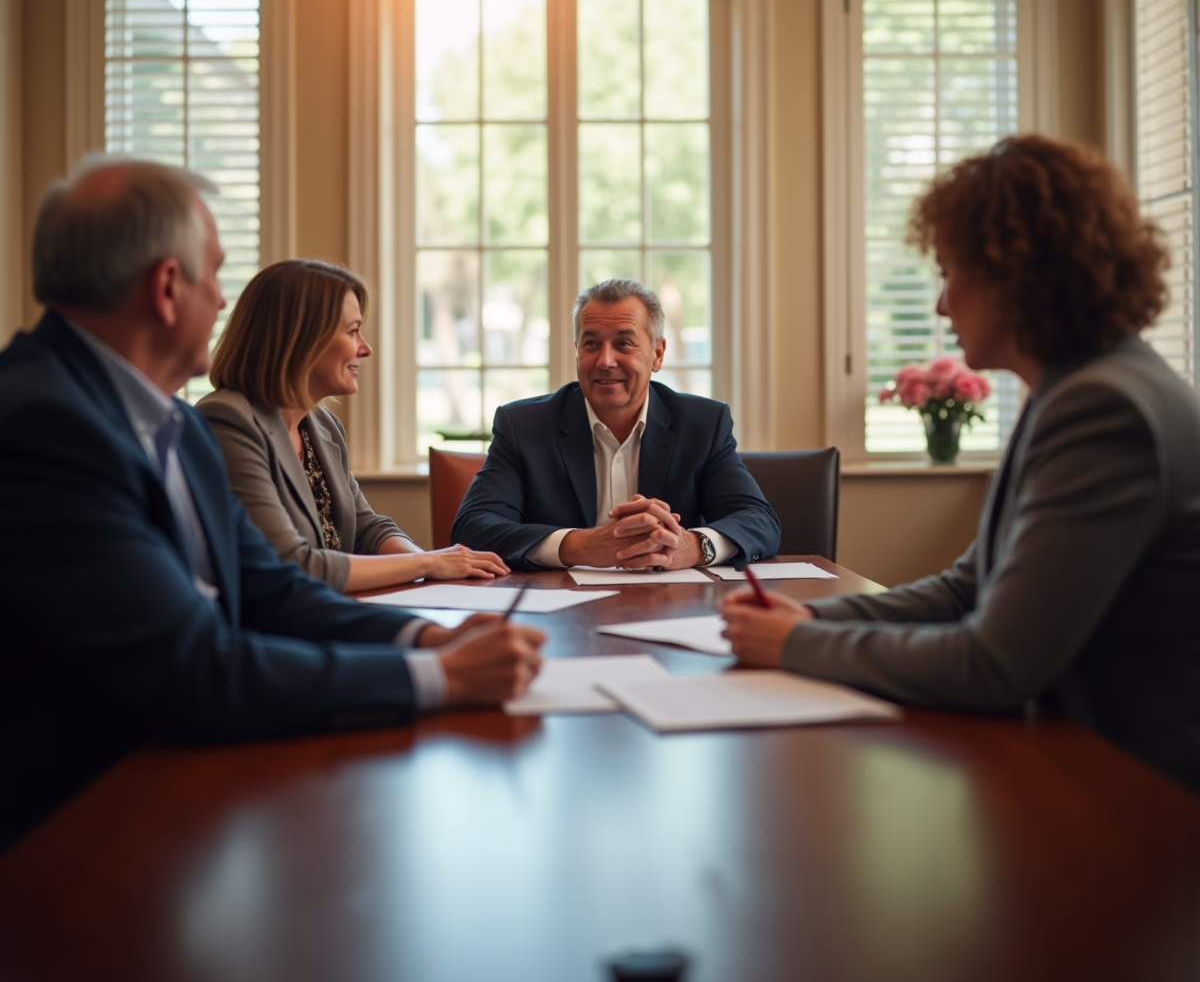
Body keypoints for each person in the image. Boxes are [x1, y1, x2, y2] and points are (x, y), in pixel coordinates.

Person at [0, 157, 544, 853]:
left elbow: (269, 589)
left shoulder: (172, 424)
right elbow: (196, 669)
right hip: (72, 829)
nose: (223, 302)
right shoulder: (43, 426)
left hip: (176, 782)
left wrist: (426, 637)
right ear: (168, 287)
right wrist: (439, 677)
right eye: (214, 275)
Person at [721, 134, 1200, 793]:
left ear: (1016, 271)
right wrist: (808, 618)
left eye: (949, 272)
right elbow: (967, 588)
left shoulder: (1103, 408)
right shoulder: (1074, 386)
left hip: (1135, 793)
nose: (941, 305)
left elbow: (997, 663)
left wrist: (794, 646)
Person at [198, 260, 508, 592]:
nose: (365, 348)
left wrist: (435, 571)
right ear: (301, 339)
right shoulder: (227, 421)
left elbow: (365, 528)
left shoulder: (322, 426)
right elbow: (291, 564)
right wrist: (428, 563)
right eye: (352, 331)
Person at [452, 279, 780, 571]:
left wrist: (692, 547)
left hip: (675, 608)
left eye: (624, 343)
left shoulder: (703, 424)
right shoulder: (523, 425)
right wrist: (580, 545)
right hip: (557, 615)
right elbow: (473, 527)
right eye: (591, 344)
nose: (605, 361)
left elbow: (759, 522)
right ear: (577, 351)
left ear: (657, 354)